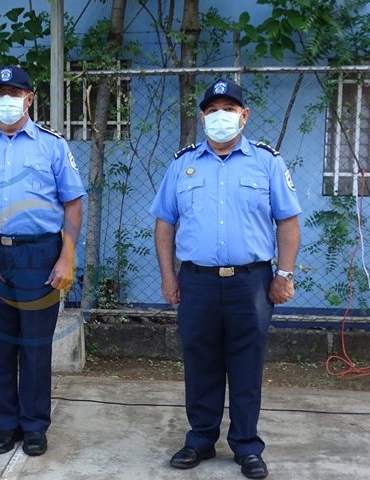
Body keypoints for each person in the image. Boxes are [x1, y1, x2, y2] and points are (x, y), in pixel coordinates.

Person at [150, 78, 301, 479]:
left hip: (251, 283)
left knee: (247, 365)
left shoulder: (267, 162)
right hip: (197, 281)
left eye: (229, 110)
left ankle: (246, 445)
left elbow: (288, 221)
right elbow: (164, 223)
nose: (221, 117)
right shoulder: (182, 164)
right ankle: (200, 439)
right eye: (213, 110)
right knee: (200, 362)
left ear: (244, 116)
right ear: (202, 117)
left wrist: (284, 275)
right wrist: (168, 276)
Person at [0, 65, 85, 456]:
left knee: (35, 344)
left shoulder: (52, 145)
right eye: (0, 93)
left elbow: (73, 203)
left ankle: (35, 426)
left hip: (38, 253)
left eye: (15, 92)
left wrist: (66, 256)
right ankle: (5, 424)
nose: (7, 100)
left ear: (29, 98)